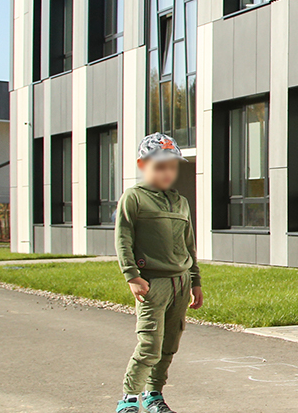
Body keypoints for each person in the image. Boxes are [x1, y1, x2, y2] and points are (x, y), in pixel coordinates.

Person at [114, 133, 203, 413]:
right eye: (160, 166)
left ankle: (154, 395)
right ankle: (129, 399)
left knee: (169, 344)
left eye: (172, 167)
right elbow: (123, 238)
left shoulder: (181, 202)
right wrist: (132, 275)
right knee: (149, 344)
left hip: (180, 283)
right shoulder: (134, 198)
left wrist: (195, 281)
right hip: (153, 284)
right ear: (143, 165)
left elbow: (189, 245)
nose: (167, 172)